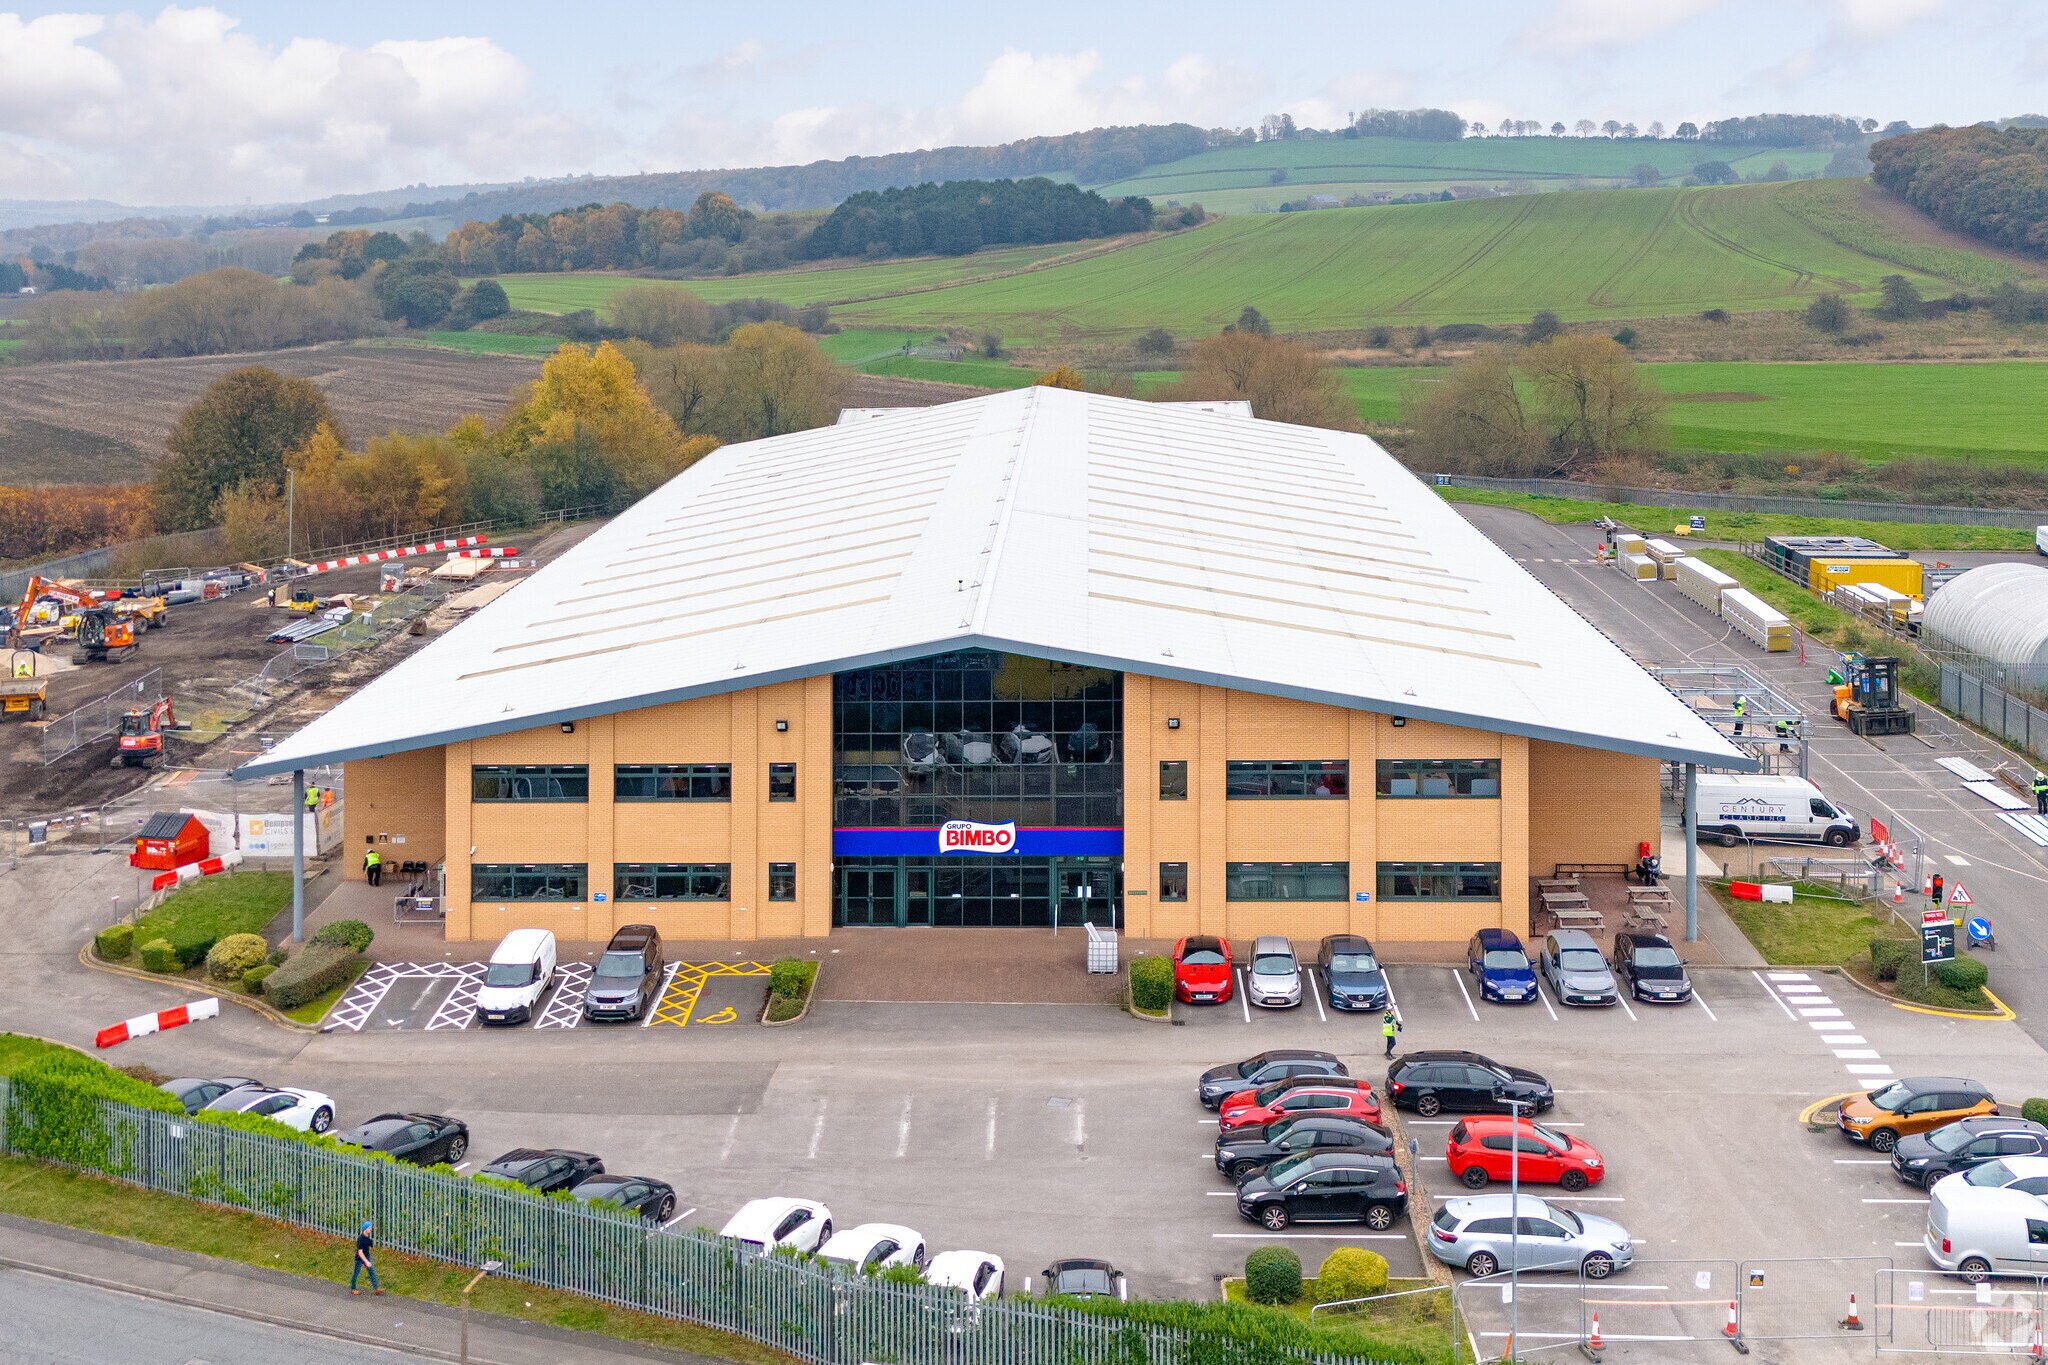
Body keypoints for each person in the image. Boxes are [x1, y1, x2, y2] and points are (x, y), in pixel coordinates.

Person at [350, 1220, 383, 1295]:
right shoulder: (360, 1239)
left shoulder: (367, 1237)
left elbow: (368, 1246)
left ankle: (376, 1289)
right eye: (369, 1228)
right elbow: (360, 1252)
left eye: (371, 1227)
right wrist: (366, 1262)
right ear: (365, 1229)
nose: (370, 1229)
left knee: (372, 1272)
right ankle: (353, 1288)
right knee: (356, 1273)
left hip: (367, 1256)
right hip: (359, 1259)